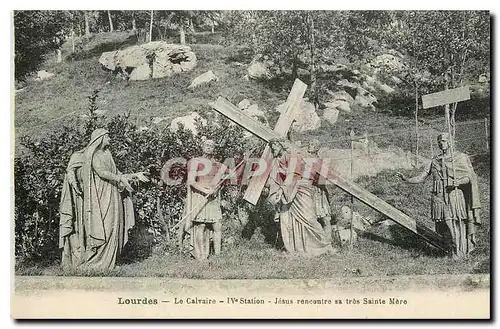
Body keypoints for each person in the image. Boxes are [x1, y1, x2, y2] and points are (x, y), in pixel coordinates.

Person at [59, 128, 149, 270]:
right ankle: (98, 262)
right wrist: (119, 178)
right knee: (104, 226)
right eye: (107, 137)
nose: (110, 139)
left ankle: (110, 262)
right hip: (100, 196)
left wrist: (135, 175)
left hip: (112, 194)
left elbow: (117, 173)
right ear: (100, 138)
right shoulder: (93, 155)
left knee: (114, 225)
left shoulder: (108, 154)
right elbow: (101, 172)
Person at [398, 132, 481, 258]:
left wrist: (457, 182)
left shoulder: (459, 158)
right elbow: (421, 177)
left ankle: (460, 252)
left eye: (443, 140)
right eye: (439, 141)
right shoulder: (434, 161)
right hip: (438, 198)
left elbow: (469, 178)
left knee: (455, 224)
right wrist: (406, 179)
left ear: (450, 142)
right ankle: (451, 251)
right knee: (443, 227)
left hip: (453, 195)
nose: (440, 143)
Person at [266, 138, 334, 256]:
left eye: (275, 147)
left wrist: (282, 190)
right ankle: (299, 248)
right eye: (271, 148)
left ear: (281, 145)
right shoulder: (278, 160)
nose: (273, 150)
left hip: (301, 190)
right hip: (289, 192)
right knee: (289, 220)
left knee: (309, 218)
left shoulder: (292, 156)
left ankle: (325, 246)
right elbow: (277, 178)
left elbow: (293, 174)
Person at [181, 138, 231, 260]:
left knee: (217, 225)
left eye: (211, 145)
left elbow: (228, 176)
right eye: (206, 145)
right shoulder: (195, 161)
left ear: (214, 149)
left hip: (213, 198)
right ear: (202, 147)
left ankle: (218, 255)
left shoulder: (217, 164)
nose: (209, 147)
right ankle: (201, 256)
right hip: (200, 196)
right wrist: (205, 190)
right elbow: (191, 181)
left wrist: (218, 187)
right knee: (201, 225)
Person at [307, 139, 333, 239]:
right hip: (309, 191)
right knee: (311, 218)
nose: (310, 145)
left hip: (319, 192)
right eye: (309, 144)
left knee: (326, 219)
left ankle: (328, 241)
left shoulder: (321, 162)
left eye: (312, 144)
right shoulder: (305, 161)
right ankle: (317, 241)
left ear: (317, 148)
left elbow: (323, 178)